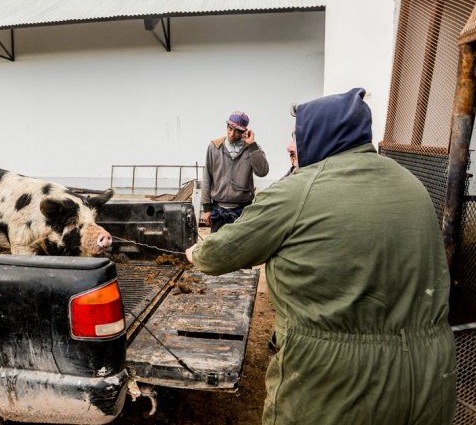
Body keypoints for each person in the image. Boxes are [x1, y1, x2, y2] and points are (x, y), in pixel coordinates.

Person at [186, 88, 456, 425]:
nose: (289, 146)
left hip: (335, 388)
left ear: (323, 136)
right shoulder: (410, 184)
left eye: (297, 136)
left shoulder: (298, 191)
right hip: (428, 380)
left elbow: (217, 255)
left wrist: (197, 251)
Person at [201, 111, 269, 232]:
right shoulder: (214, 147)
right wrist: (206, 208)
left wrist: (252, 145)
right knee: (215, 247)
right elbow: (207, 178)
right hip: (218, 210)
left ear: (244, 131)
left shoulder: (252, 148)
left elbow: (262, 172)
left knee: (239, 248)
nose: (232, 134)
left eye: (237, 131)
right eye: (229, 128)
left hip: (242, 211)